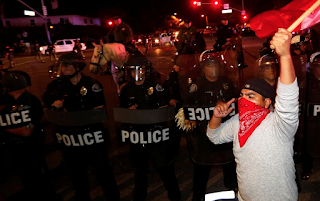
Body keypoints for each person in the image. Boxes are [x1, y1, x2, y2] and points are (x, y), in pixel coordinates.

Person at [207, 28, 299, 200]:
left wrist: (285, 56)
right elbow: (215, 136)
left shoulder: (278, 124)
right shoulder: (237, 122)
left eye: (251, 96)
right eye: (242, 95)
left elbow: (288, 98)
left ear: (267, 103)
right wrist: (216, 117)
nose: (244, 100)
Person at [42, 52, 120, 201]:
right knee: (78, 178)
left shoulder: (92, 85)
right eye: (61, 66)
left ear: (77, 66)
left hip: (92, 139)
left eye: (66, 65)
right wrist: (54, 107)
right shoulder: (55, 86)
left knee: (103, 174)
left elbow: (98, 111)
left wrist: (71, 111)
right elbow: (47, 108)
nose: (63, 69)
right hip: (70, 141)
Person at [118, 55, 181, 201]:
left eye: (139, 70)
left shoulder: (156, 86)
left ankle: (175, 196)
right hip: (137, 136)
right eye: (132, 71)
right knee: (140, 171)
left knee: (165, 169)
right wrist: (129, 112)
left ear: (145, 70)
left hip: (156, 134)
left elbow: (165, 108)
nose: (136, 73)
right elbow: (122, 113)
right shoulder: (126, 89)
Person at [180, 51, 238, 201]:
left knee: (229, 162)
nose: (212, 68)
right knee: (202, 166)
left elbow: (236, 100)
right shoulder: (196, 85)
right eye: (209, 65)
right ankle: (198, 196)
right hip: (203, 133)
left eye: (215, 65)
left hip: (225, 130)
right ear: (203, 68)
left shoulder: (227, 82)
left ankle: (233, 189)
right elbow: (187, 106)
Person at [0, 71, 61, 201]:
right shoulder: (10, 103)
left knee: (34, 179)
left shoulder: (30, 101)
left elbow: (26, 131)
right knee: (28, 179)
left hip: (30, 148)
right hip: (18, 149)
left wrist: (6, 130)